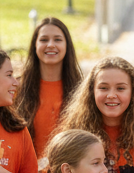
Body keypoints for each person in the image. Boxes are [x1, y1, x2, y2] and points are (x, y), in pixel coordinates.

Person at [15, 16, 83, 162]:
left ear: (67, 45)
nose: (51, 45)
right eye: (44, 40)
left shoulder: (82, 91)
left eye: (57, 40)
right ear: (35, 45)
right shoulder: (16, 89)